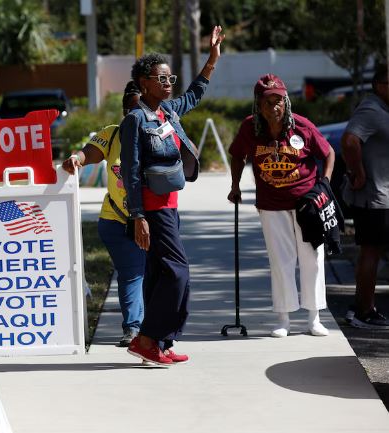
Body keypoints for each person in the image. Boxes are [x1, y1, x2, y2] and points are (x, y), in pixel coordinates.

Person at [120, 25, 225, 366]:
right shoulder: (136, 120)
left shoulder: (168, 112)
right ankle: (147, 339)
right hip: (151, 209)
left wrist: (211, 60)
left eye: (170, 79)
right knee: (178, 272)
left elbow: (194, 94)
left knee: (159, 275)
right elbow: (132, 170)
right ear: (143, 82)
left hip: (169, 206)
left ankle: (160, 344)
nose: (167, 84)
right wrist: (138, 216)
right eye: (160, 78)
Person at [228, 73, 335, 338]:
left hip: (307, 204)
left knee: (312, 259)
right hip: (271, 205)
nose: (273, 107)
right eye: (267, 102)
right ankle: (284, 318)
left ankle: (314, 317)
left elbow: (328, 153)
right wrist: (235, 186)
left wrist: (325, 184)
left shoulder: (302, 126)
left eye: (278, 100)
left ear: (286, 102)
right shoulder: (250, 128)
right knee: (281, 261)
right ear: (258, 104)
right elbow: (237, 156)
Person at [61, 82, 145, 347]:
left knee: (155, 274)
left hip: (153, 219)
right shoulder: (113, 135)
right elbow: (89, 153)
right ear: (123, 112)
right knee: (132, 272)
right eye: (131, 110)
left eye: (142, 108)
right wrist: (77, 158)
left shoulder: (159, 135)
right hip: (116, 219)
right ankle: (133, 328)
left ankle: (153, 327)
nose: (136, 115)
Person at [340, 65, 389, 329]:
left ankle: (360, 305)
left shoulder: (383, 109)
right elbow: (349, 141)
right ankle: (364, 312)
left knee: (374, 251)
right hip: (374, 196)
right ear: (380, 85)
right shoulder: (371, 109)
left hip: (382, 196)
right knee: (371, 252)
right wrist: (357, 172)